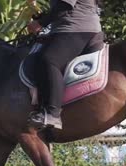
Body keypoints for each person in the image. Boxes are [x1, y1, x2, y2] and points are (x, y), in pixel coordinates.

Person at [27, 0, 104, 129]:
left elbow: (64, 6)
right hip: (75, 28)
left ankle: (52, 113)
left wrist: (40, 23)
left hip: (76, 28)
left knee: (50, 60)